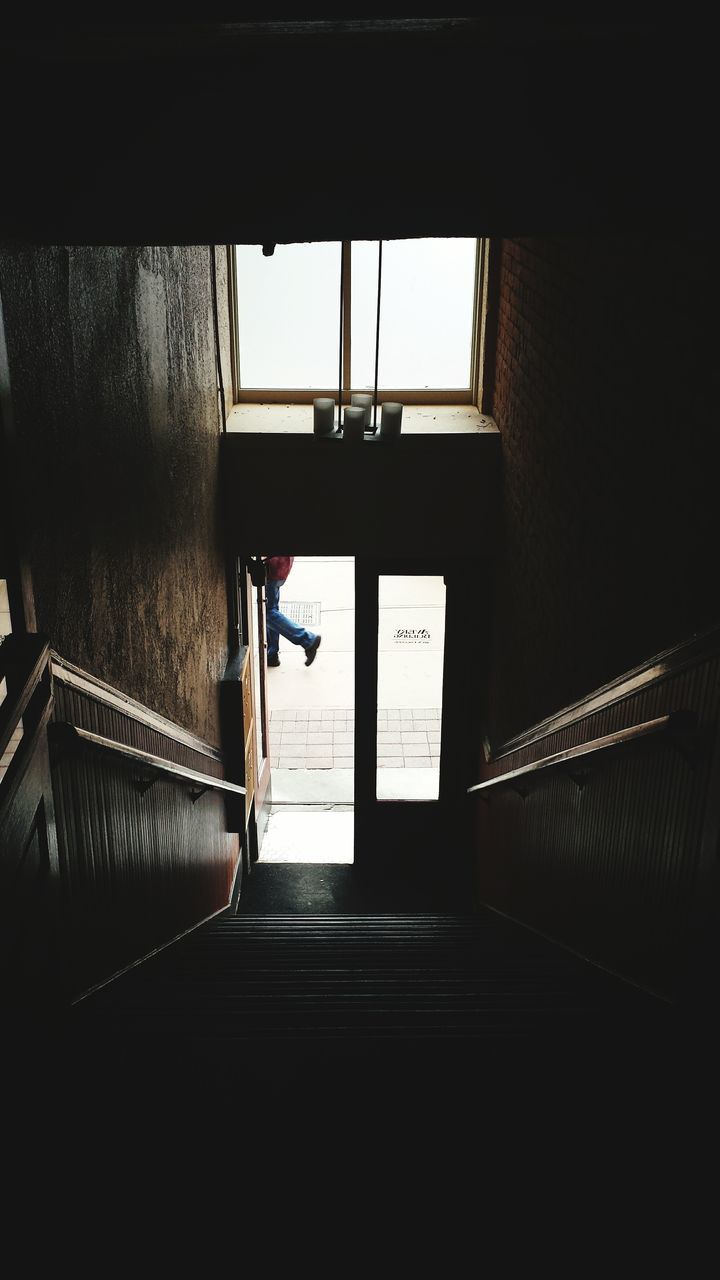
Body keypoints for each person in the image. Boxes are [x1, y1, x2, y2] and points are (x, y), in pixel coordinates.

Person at [262, 555, 321, 668]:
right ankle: (272, 653)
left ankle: (308, 639)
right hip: (280, 566)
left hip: (273, 565)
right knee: (272, 610)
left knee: (268, 614)